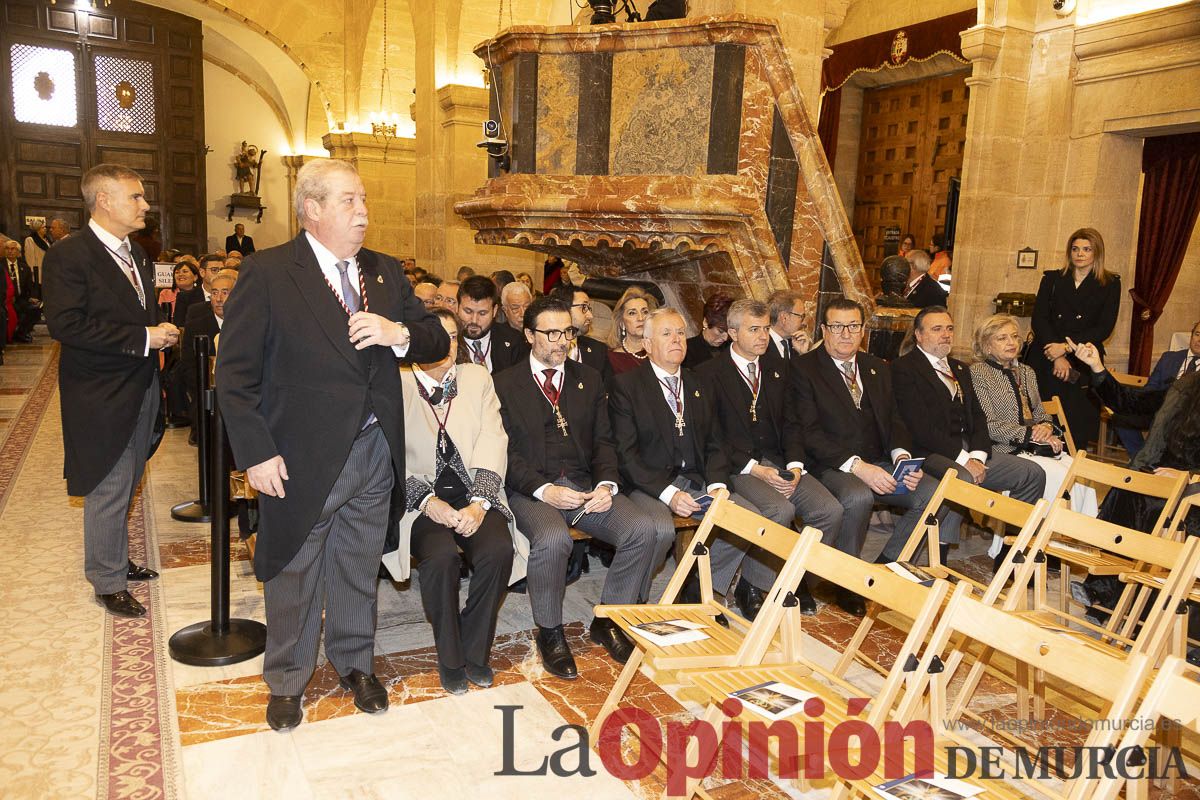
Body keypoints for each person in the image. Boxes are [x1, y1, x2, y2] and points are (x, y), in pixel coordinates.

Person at [216, 159, 449, 731]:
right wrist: (255, 453)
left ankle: (354, 663)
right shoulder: (270, 272)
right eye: (349, 201)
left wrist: (399, 334)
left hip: (374, 452)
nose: (364, 212)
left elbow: (438, 337)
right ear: (312, 209)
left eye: (364, 200)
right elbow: (235, 375)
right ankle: (288, 679)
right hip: (299, 456)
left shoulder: (386, 272)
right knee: (294, 569)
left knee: (357, 564)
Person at [493, 296, 659, 680]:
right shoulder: (503, 383)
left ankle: (608, 619)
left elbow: (604, 441)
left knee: (641, 529)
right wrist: (543, 490)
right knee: (553, 540)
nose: (560, 341)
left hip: (584, 487)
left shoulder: (589, 379)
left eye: (566, 332)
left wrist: (605, 484)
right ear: (529, 334)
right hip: (530, 490)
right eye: (550, 333)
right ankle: (550, 632)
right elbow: (504, 453)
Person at [43, 163, 179, 619]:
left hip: (138, 383)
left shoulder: (137, 254)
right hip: (99, 391)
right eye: (136, 197)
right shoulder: (70, 254)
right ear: (103, 200)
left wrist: (155, 332)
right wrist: (144, 339)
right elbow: (67, 324)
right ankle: (106, 579)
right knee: (108, 482)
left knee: (129, 479)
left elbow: (131, 313)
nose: (145, 205)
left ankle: (115, 559)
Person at [384, 309, 519, 695]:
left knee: (497, 550)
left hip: (473, 491)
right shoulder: (398, 380)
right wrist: (427, 502)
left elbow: (494, 438)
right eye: (437, 336)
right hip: (421, 499)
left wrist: (480, 502)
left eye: (454, 338)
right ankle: (450, 655)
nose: (447, 345)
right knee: (440, 558)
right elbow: (391, 455)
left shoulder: (476, 377)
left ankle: (475, 651)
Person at [609, 308, 768, 609]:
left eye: (681, 333)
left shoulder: (698, 383)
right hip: (649, 483)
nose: (676, 340)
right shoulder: (627, 386)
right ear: (647, 344)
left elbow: (715, 442)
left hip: (694, 478)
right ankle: (631, 603)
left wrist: (717, 484)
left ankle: (697, 587)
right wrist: (670, 495)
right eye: (666, 334)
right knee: (659, 530)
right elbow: (625, 455)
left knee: (747, 518)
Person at [696, 299, 844, 616]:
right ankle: (754, 585)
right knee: (778, 509)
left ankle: (793, 579)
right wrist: (755, 470)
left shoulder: (779, 369)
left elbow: (793, 422)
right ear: (733, 333)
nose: (763, 336)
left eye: (765, 328)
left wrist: (794, 467)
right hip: (739, 466)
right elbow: (713, 436)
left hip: (779, 460)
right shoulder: (709, 374)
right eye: (754, 329)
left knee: (829, 510)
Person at [790, 298, 939, 602]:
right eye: (837, 326)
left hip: (879, 460)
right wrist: (858, 467)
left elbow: (895, 418)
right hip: (830, 464)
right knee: (858, 495)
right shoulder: (803, 369)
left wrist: (902, 457)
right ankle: (844, 582)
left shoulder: (875, 367)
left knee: (930, 492)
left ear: (863, 330)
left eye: (853, 326)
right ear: (823, 329)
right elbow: (808, 434)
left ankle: (885, 565)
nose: (846, 334)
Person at [889, 307, 1046, 562]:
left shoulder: (960, 369)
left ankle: (1011, 558)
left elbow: (979, 419)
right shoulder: (904, 369)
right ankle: (936, 561)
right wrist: (965, 461)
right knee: (961, 478)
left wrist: (979, 456)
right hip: (929, 450)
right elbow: (920, 428)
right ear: (918, 335)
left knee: (1031, 473)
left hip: (968, 450)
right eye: (937, 329)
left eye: (949, 329)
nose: (945, 335)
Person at [1072, 340, 1200, 645]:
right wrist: (1097, 367)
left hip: (1193, 487)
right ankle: (1107, 593)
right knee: (1126, 491)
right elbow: (1132, 403)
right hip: (1166, 474)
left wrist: (1190, 477)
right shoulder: (1187, 384)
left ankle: (1139, 607)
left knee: (1153, 504)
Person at [969, 314, 1095, 567]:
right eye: (1002, 338)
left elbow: (1040, 413)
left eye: (1015, 336)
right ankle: (1029, 546)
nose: (1011, 342)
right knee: (1055, 477)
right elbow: (987, 424)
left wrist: (1047, 428)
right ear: (986, 345)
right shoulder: (978, 373)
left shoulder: (1026, 372)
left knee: (1080, 477)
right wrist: (1028, 435)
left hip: (1034, 447)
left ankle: (1062, 545)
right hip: (1002, 449)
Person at [1027, 227, 1121, 448]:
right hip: (1047, 354)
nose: (1080, 254)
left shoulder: (1109, 283)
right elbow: (1039, 319)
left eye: (1086, 249)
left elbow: (1104, 327)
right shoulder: (1052, 279)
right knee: (1042, 415)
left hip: (1083, 358)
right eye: (1075, 248)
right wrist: (1056, 354)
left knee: (1076, 422)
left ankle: (1073, 471)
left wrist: (1066, 349)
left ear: (1096, 253)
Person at [1115, 320, 1200, 456]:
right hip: (1159, 409)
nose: (1199, 340)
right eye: (1197, 334)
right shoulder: (1169, 358)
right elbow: (1150, 388)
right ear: (1191, 336)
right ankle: (1140, 458)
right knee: (1121, 417)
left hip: (1189, 418)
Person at [182, 270, 237, 427]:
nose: (219, 299)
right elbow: (188, 366)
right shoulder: (196, 326)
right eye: (214, 293)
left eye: (225, 293)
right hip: (206, 392)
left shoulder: (249, 325)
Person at [456, 275, 528, 373]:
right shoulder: (447, 341)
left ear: (494, 311)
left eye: (482, 313)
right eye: (468, 311)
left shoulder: (514, 341)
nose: (474, 320)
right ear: (457, 307)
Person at [550, 285, 614, 385]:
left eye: (589, 308)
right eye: (583, 307)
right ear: (563, 308)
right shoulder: (544, 349)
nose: (590, 316)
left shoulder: (598, 351)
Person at [607, 286, 657, 375]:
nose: (640, 318)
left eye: (645, 312)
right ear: (622, 323)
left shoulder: (660, 352)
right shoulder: (611, 359)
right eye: (632, 313)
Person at [683, 292, 732, 370]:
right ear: (705, 322)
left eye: (729, 331)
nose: (725, 338)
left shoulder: (733, 345)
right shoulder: (686, 350)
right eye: (720, 331)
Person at [3, 239, 39, 342]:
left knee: (36, 309)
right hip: (5, 299)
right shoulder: (1, 266)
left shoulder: (24, 267)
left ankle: (21, 333)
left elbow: (29, 285)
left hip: (21, 298)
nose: (10, 251)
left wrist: (33, 296)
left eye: (13, 249)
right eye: (7, 249)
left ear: (18, 252)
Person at [763, 289, 807, 369]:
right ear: (784, 318)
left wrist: (802, 355)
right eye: (801, 316)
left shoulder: (796, 345)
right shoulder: (761, 345)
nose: (804, 322)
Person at [175, 253, 222, 326]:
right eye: (214, 270)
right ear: (202, 272)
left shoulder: (231, 296)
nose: (219, 274)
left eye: (221, 270)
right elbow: (180, 326)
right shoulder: (185, 297)